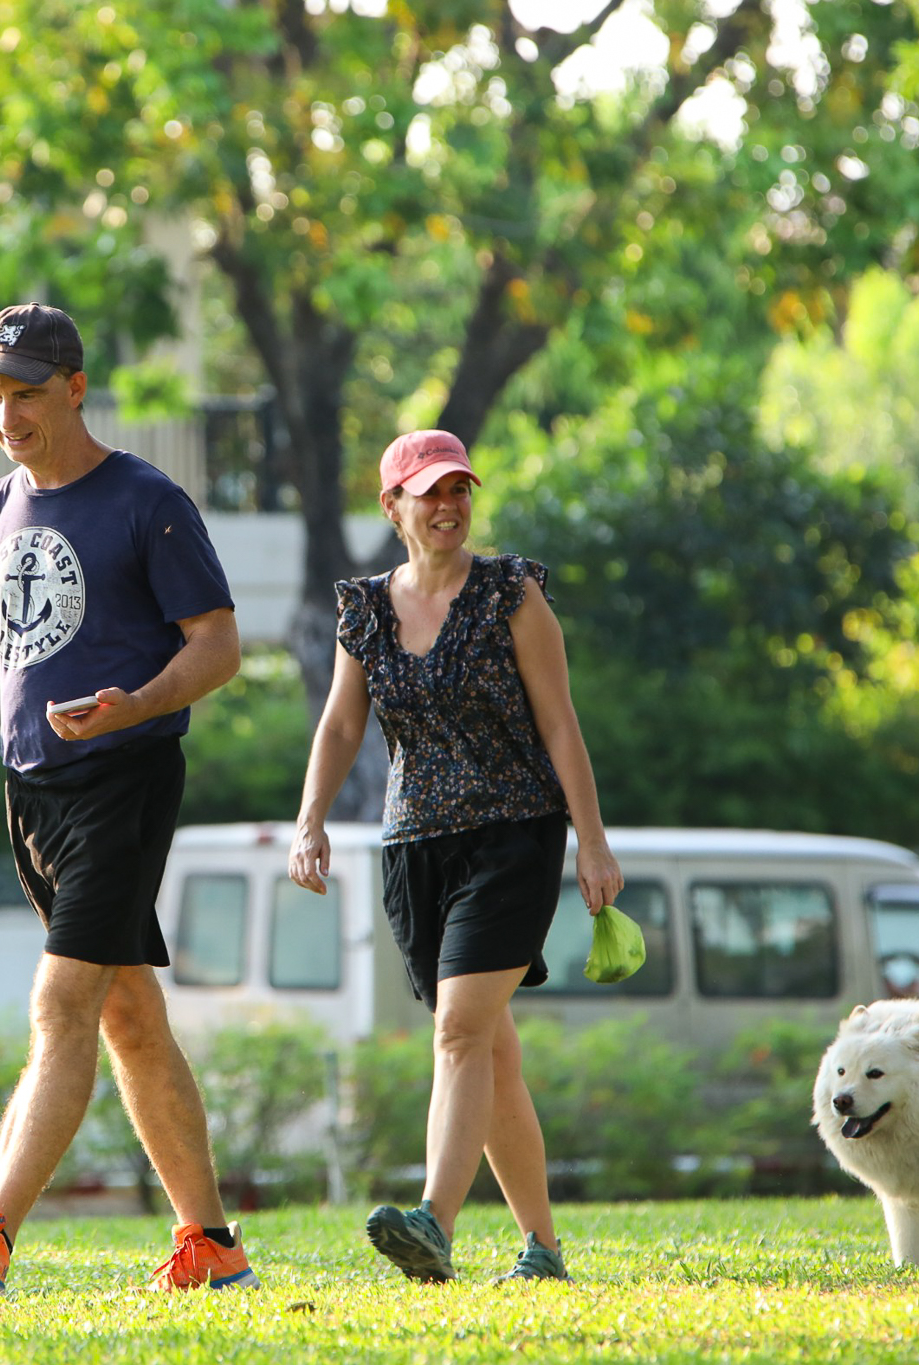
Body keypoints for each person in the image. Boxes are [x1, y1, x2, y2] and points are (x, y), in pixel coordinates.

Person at [0, 303, 258, 1296]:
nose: (6, 415)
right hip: (28, 795)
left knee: (62, 1001)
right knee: (125, 1012)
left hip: (124, 780)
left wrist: (139, 700)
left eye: (25, 395)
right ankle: (210, 1248)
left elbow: (217, 645)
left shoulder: (146, 499)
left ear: (75, 389)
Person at [287, 428, 622, 1284]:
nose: (448, 506)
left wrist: (592, 839)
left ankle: (434, 1218)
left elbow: (560, 723)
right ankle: (542, 1248)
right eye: (429, 492)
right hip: (413, 847)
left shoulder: (511, 592)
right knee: (491, 1051)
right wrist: (310, 818)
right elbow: (340, 722)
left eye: (460, 490)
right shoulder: (364, 607)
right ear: (392, 504)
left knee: (460, 1029)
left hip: (514, 833)